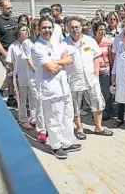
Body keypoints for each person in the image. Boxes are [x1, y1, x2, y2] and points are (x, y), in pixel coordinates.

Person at [31, 17, 81, 159]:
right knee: (54, 120)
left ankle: (66, 143)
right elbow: (51, 69)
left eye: (49, 27)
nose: (47, 30)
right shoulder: (37, 48)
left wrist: (57, 61)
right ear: (38, 29)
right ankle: (56, 146)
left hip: (64, 87)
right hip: (50, 90)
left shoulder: (56, 44)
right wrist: (61, 62)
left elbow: (71, 59)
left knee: (67, 116)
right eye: (44, 28)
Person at [64, 17, 113, 139]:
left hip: (91, 78)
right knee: (75, 106)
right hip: (73, 80)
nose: (75, 29)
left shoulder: (90, 41)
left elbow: (96, 57)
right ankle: (79, 129)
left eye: (77, 27)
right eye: (72, 27)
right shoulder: (64, 44)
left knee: (97, 102)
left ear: (81, 27)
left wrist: (96, 75)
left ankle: (98, 127)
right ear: (67, 28)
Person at [6, 25, 35, 129]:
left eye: (27, 29)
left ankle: (33, 118)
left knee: (33, 98)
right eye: (23, 30)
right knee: (22, 99)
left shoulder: (32, 43)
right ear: (18, 32)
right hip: (20, 76)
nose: (26, 31)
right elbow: (9, 62)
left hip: (32, 75)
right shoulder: (13, 46)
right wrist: (14, 72)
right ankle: (23, 119)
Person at [0, 0, 18, 107]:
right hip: (4, 51)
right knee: (11, 72)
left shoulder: (11, 20)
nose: (10, 10)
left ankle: (1, 91)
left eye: (11, 7)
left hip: (14, 50)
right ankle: (11, 97)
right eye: (8, 8)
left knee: (11, 73)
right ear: (1, 8)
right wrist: (5, 54)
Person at [93, 21, 115, 121]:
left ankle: (107, 112)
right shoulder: (91, 42)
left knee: (106, 93)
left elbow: (111, 58)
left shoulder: (109, 42)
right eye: (100, 29)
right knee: (96, 93)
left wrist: (112, 72)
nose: (102, 31)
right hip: (93, 72)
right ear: (95, 31)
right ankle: (97, 112)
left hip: (105, 71)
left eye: (104, 29)